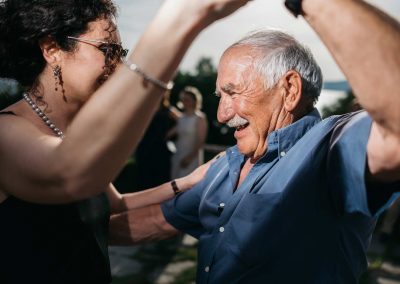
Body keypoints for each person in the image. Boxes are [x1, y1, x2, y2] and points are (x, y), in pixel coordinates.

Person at [110, 1, 400, 283]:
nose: (222, 116)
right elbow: (158, 222)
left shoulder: (330, 149)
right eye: (219, 96)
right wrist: (70, 233)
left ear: (289, 90)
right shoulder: (226, 164)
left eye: (233, 93)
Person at [0, 0, 252, 283]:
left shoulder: (66, 136)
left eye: (121, 54)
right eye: (108, 50)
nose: (118, 66)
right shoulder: (5, 132)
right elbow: (70, 175)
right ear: (52, 49)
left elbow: (116, 203)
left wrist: (190, 181)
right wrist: (184, 17)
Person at [135, 93, 177, 191]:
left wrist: (170, 134)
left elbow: (183, 121)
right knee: (144, 180)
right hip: (145, 148)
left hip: (161, 149)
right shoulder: (145, 108)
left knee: (160, 181)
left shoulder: (168, 110)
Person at [169, 86, 208, 178]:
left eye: (188, 99)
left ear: (194, 101)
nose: (185, 102)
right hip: (177, 155)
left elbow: (200, 141)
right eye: (183, 99)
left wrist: (189, 158)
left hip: (191, 158)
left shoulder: (200, 118)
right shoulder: (181, 118)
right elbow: (170, 133)